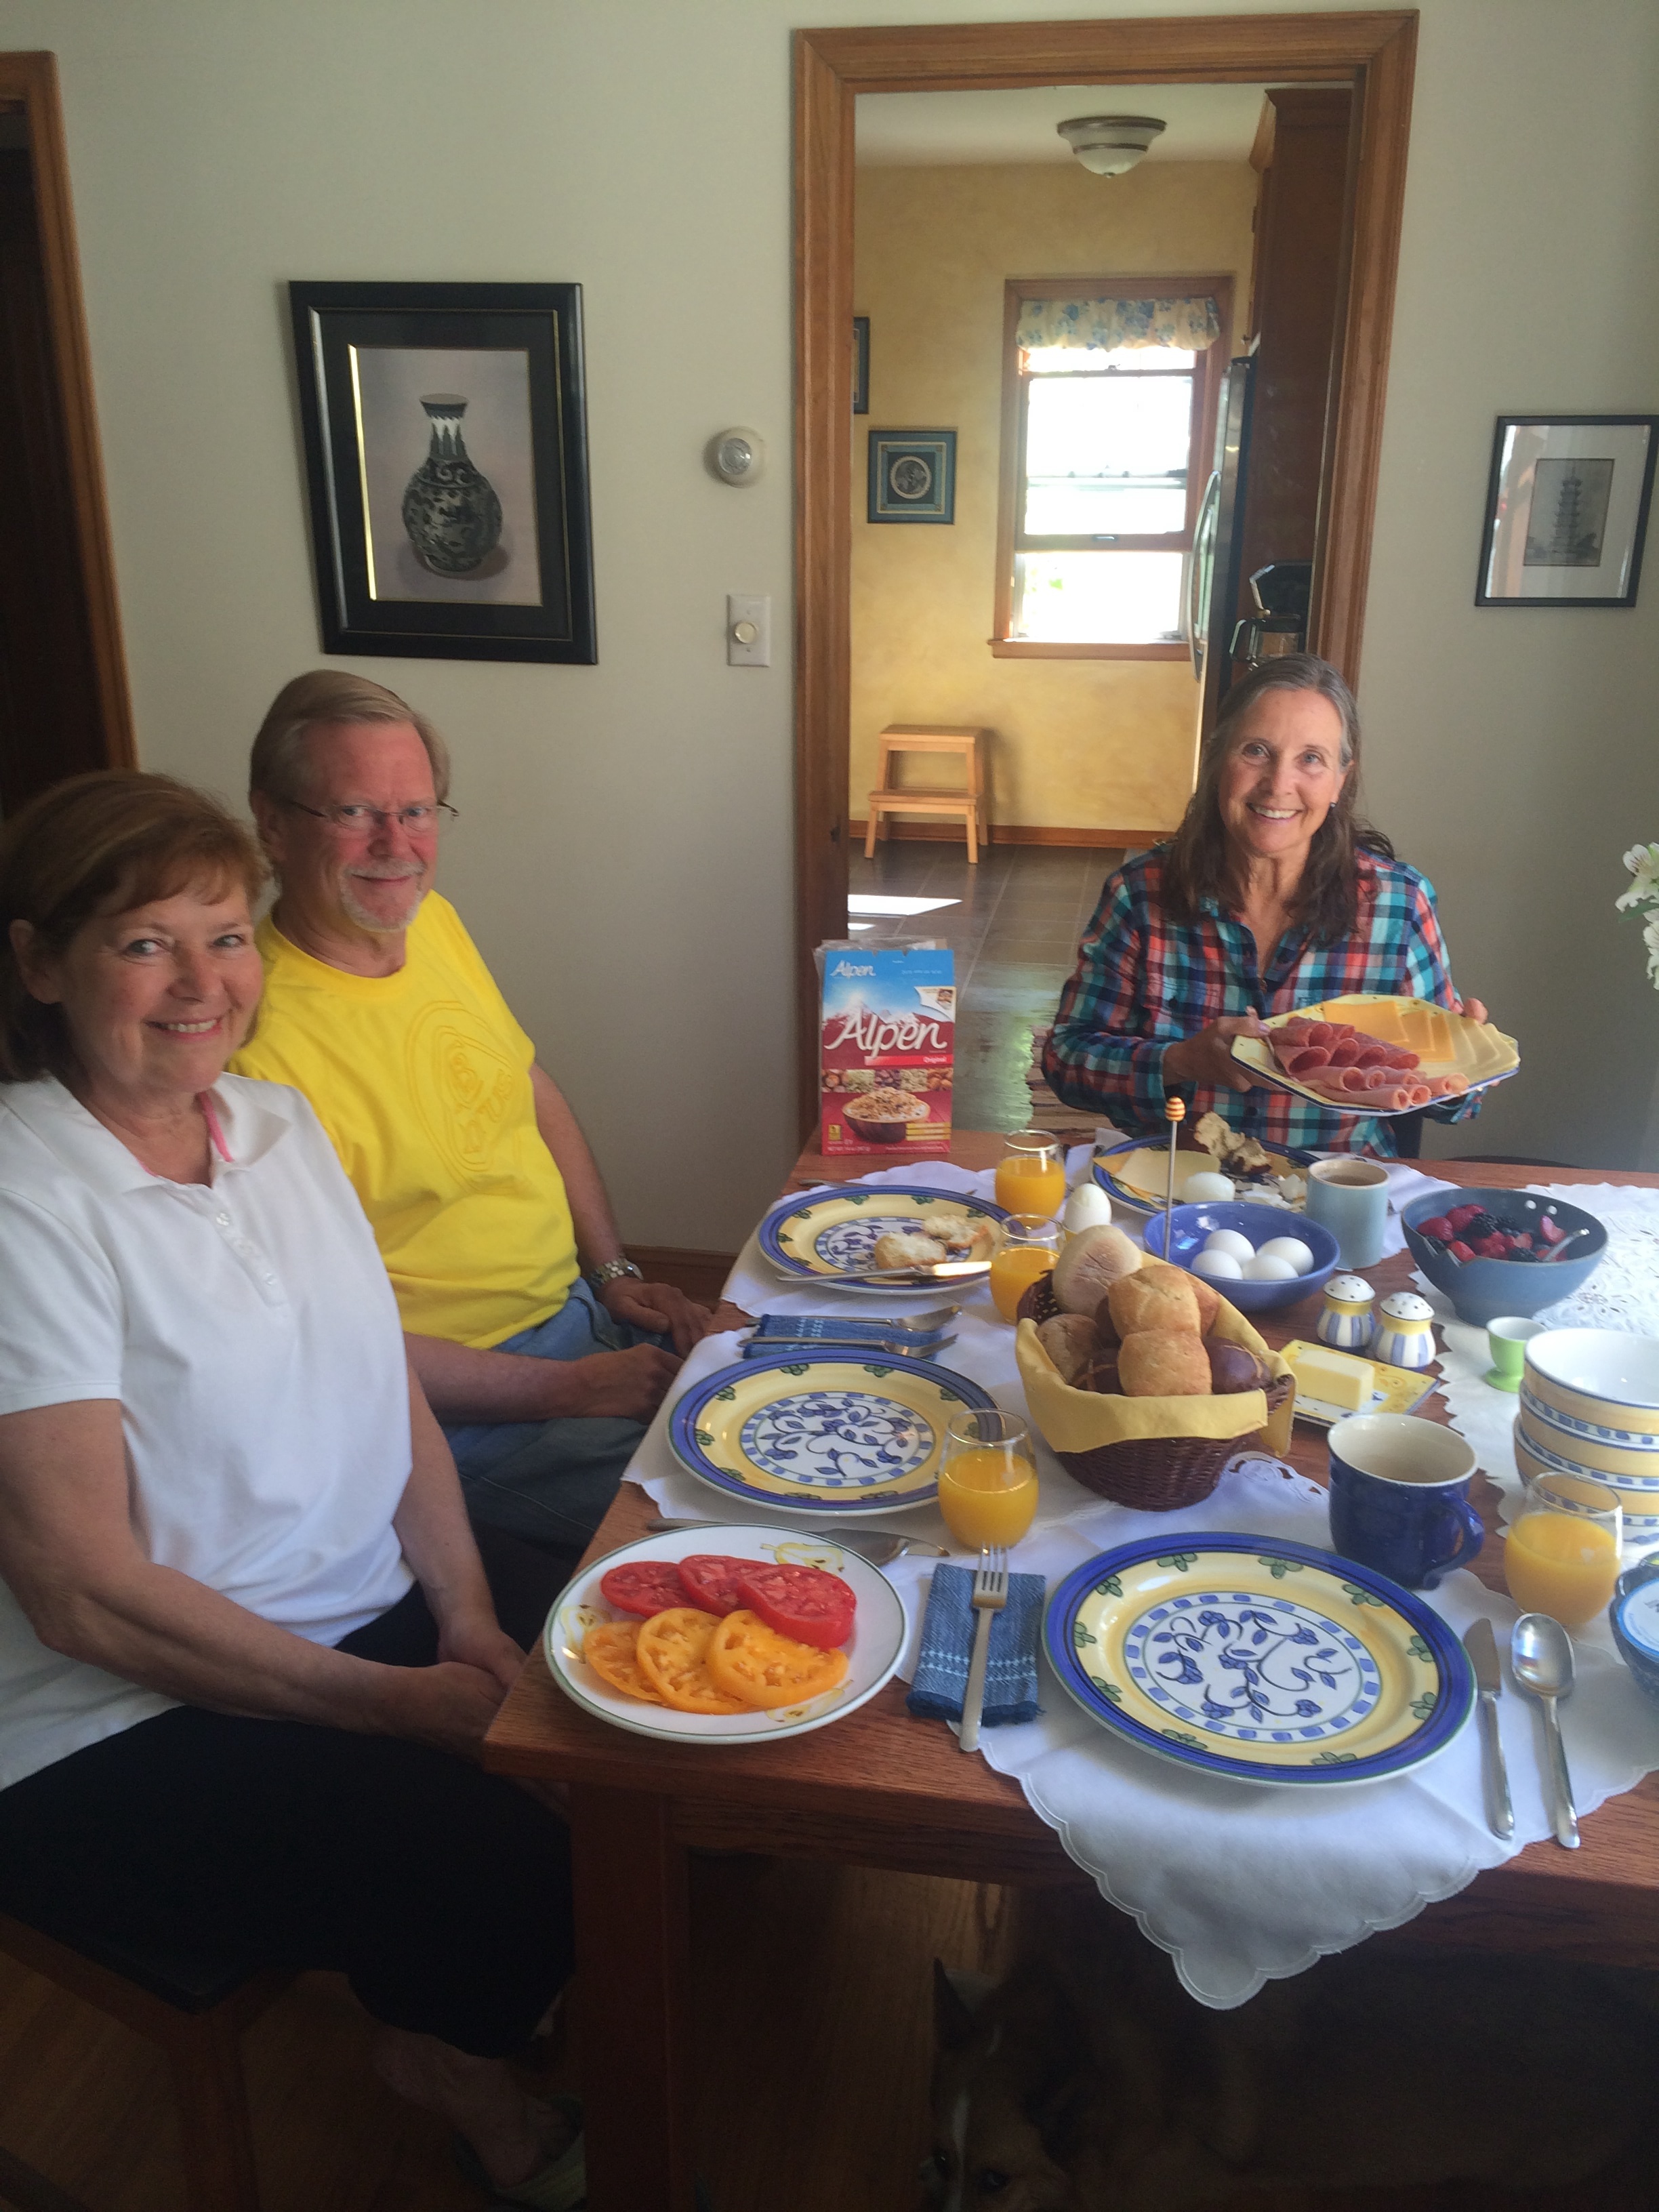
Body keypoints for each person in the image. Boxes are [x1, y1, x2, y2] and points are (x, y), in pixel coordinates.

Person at [0, 771, 583, 2209]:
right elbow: (80, 1598)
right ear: (41, 964)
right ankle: (457, 2069)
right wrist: (392, 1701)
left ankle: (465, 1997)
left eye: (224, 936)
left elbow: (385, 1388)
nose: (203, 982)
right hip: (120, 1711)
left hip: (350, 1606)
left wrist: (464, 1614)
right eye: (146, 943)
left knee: (615, 1678)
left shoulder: (272, 1124)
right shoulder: (25, 1197)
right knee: (494, 1854)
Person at [232, 671, 738, 1556]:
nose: (397, 845)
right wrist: (570, 1389)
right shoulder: (249, 1046)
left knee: (832, 1400)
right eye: (355, 812)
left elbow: (529, 1089)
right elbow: (319, 1347)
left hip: (583, 1321)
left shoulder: (431, 924)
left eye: (417, 811)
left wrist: (614, 1274)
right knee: (742, 1535)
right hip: (467, 1412)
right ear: (272, 823)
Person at [1044, 655, 1488, 1158]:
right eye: (1256, 751)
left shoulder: (1399, 906)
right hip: (1173, 1184)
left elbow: (1455, 1103)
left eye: (1311, 759)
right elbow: (1065, 1061)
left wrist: (1466, 1060)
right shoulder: (1141, 894)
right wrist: (1180, 1060)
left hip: (1331, 1189)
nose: (1278, 784)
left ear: (1340, 780)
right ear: (1217, 760)